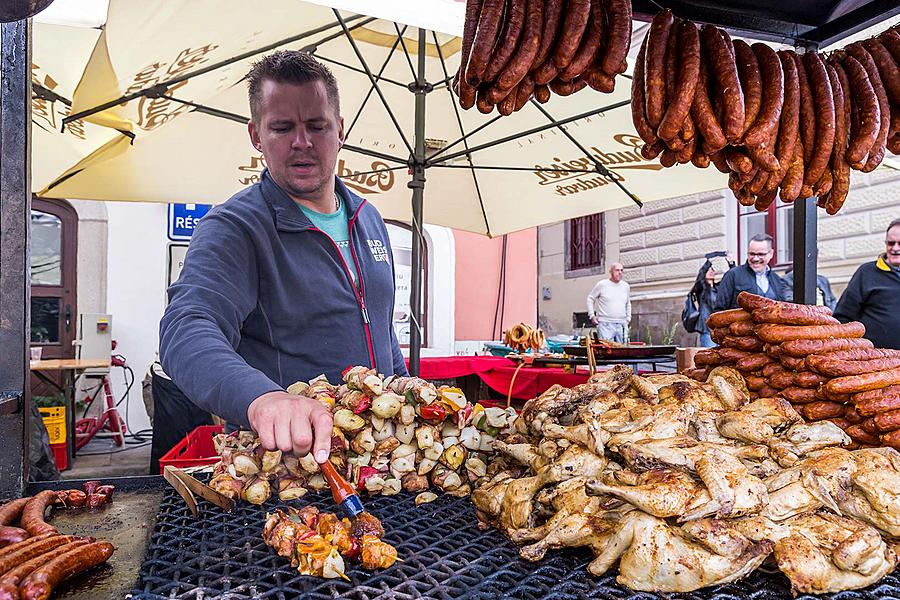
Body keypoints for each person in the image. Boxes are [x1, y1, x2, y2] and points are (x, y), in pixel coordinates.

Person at [159, 51, 407, 463]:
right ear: (256, 135)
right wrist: (261, 398)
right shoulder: (234, 228)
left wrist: (402, 391)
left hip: (378, 459)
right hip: (288, 465)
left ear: (340, 130)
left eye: (317, 125)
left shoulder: (369, 218)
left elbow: (380, 328)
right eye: (282, 127)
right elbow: (187, 329)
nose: (302, 142)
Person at [834, 218, 900, 350]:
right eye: (891, 243)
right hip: (875, 361)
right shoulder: (866, 272)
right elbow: (843, 317)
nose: (895, 248)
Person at [713, 233, 787, 311]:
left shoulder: (777, 280)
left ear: (771, 254)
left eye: (760, 254)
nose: (755, 258)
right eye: (752, 254)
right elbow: (719, 310)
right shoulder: (733, 275)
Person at [688, 251, 735, 347]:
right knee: (709, 356)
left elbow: (732, 279)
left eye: (712, 270)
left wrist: (731, 263)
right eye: (708, 270)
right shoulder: (702, 289)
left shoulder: (718, 288)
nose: (711, 272)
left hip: (720, 327)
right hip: (707, 329)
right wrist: (708, 262)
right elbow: (700, 277)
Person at [587, 263, 631, 343]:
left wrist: (628, 318)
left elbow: (628, 303)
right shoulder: (602, 284)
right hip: (605, 324)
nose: (620, 272)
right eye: (617, 270)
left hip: (622, 324)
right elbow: (590, 298)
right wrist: (592, 315)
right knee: (606, 350)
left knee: (622, 350)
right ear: (611, 272)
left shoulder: (626, 286)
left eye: (622, 270)